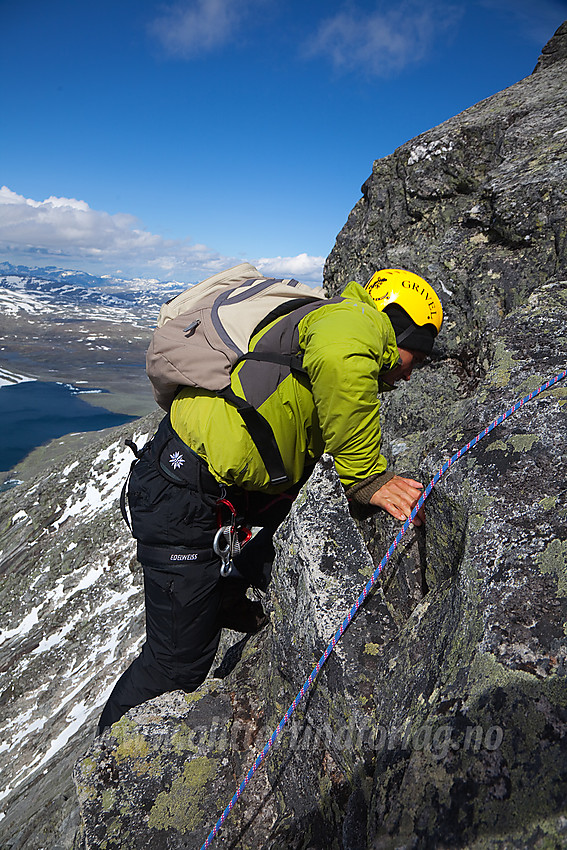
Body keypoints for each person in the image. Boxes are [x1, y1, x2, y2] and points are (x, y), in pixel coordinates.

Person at [97, 268, 443, 733]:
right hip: (182, 497)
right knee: (175, 665)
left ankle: (227, 592)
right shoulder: (353, 322)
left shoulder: (329, 320)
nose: (409, 373)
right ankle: (110, 772)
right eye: (415, 357)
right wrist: (368, 479)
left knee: (305, 503)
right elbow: (341, 360)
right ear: (398, 326)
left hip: (205, 489)